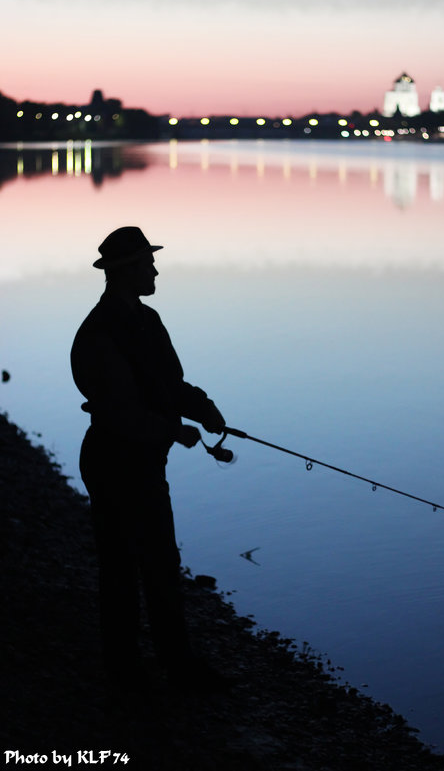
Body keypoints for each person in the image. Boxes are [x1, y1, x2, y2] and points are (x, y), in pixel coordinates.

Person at [70, 226, 226, 694]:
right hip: (115, 461)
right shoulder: (99, 334)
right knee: (125, 565)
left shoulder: (149, 319)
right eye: (147, 262)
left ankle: (171, 664)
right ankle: (132, 671)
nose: (155, 268)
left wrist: (202, 407)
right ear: (126, 271)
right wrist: (173, 431)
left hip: (143, 460)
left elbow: (167, 384)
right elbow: (119, 412)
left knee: (158, 560)